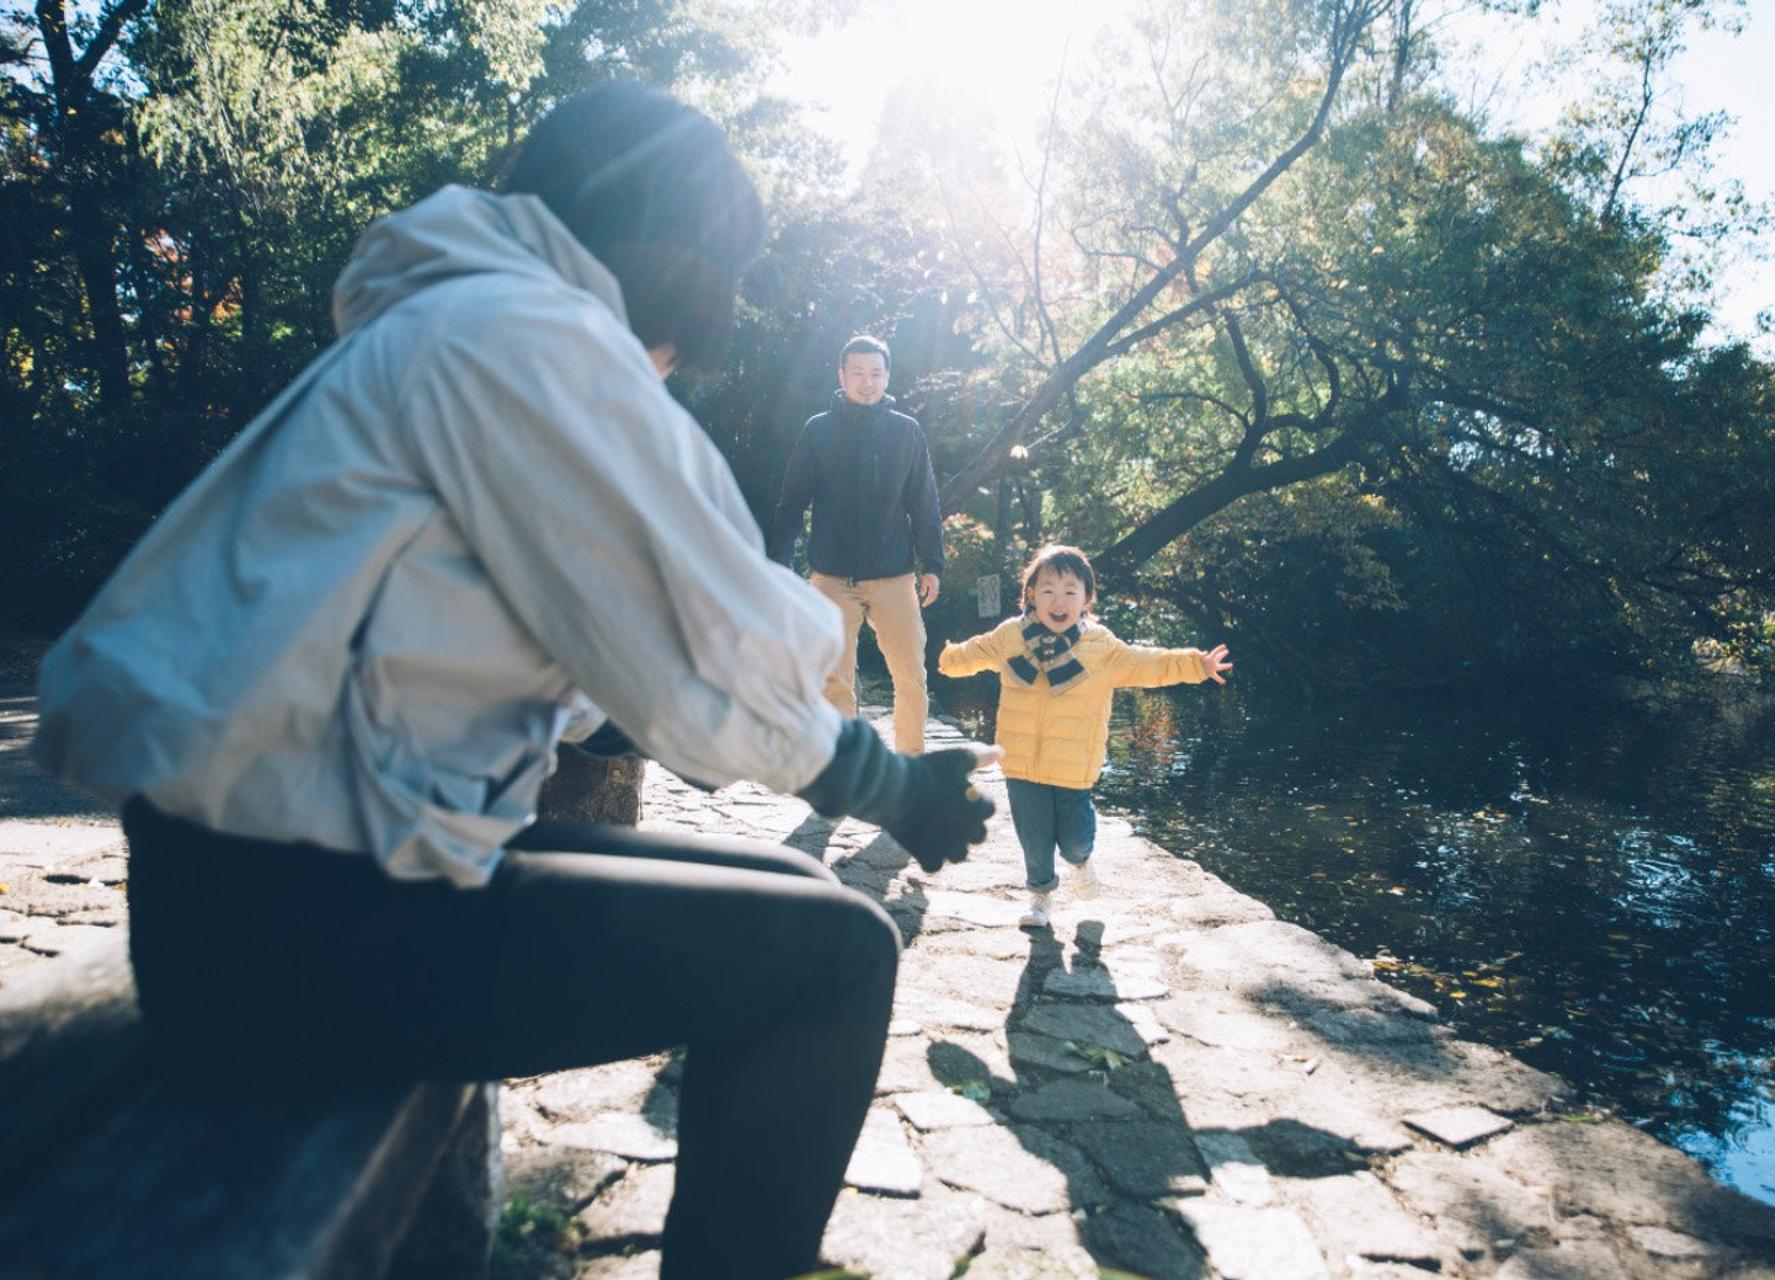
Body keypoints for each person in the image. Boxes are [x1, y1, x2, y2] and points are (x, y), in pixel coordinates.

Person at [32, 81, 995, 1280]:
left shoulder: (458, 321)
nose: (693, 338)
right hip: (297, 931)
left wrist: (671, 717)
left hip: (271, 889)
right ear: (671, 247)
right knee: (841, 962)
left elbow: (605, 650)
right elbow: (709, 631)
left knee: (817, 906)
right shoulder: (526, 337)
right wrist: (886, 783)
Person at [938, 544, 1230, 929]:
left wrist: (1196, 665)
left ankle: (1081, 861)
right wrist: (948, 658)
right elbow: (977, 651)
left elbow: (1148, 664)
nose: (1058, 601)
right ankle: (1040, 899)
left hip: (1074, 767)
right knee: (1035, 840)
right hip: (1022, 763)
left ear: (1086, 599)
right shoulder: (1012, 636)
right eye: (1047, 591)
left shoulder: (1101, 648)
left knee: (1074, 839)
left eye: (1070, 592)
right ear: (1030, 596)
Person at [770, 335, 943, 754]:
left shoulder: (907, 431)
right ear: (842, 376)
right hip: (831, 577)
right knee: (832, 679)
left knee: (911, 675)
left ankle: (910, 767)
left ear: (887, 376)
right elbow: (791, 503)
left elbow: (924, 502)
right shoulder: (818, 431)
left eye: (876, 373)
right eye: (859, 373)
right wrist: (778, 567)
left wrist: (932, 564)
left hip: (895, 577)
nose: (868, 382)